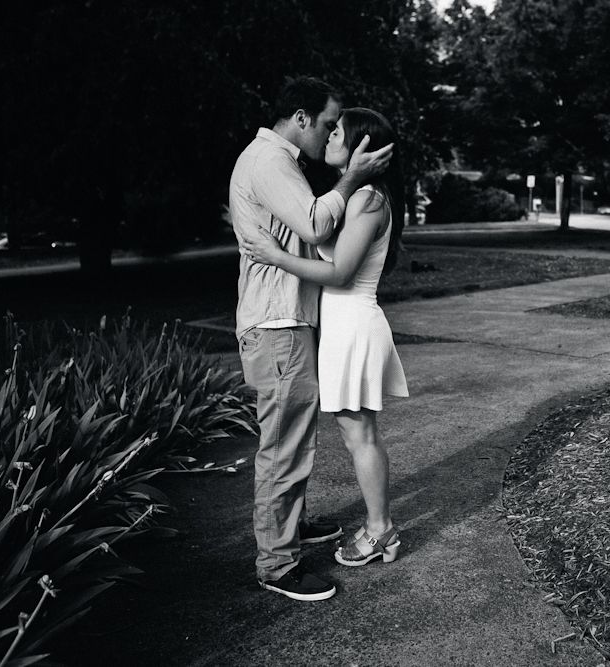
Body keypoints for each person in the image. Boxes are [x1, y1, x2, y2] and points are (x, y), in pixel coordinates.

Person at [229, 76, 393, 602]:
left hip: (289, 320)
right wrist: (349, 182)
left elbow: (321, 243)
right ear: (299, 117)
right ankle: (278, 563)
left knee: (295, 437)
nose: (327, 135)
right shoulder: (272, 161)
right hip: (275, 323)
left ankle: (290, 527)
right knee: (283, 445)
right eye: (325, 124)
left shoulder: (280, 163)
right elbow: (319, 225)